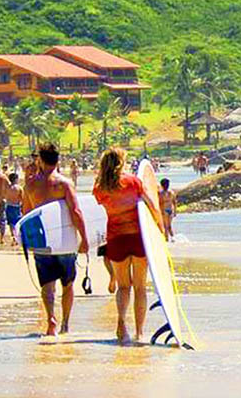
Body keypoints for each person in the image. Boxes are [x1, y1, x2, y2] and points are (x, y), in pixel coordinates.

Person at [93, 148, 162, 345]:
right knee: (140, 287)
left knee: (123, 287)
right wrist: (160, 229)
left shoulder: (100, 188)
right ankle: (140, 332)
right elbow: (152, 206)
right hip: (138, 238)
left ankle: (122, 324)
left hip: (116, 239)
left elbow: (101, 207)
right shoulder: (133, 182)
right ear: (121, 163)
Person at [23, 142, 88, 336]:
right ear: (58, 160)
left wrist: (26, 240)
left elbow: (26, 214)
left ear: (40, 161)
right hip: (65, 242)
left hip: (43, 242)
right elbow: (75, 212)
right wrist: (84, 238)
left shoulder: (31, 185)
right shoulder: (64, 184)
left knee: (47, 285)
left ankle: (51, 319)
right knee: (67, 285)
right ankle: (65, 324)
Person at [3, 172, 24, 246]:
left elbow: (4, 197)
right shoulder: (19, 188)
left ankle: (13, 237)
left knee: (11, 224)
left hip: (9, 206)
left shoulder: (7, 188)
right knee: (17, 223)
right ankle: (17, 238)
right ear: (15, 179)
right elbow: (22, 199)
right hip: (16, 207)